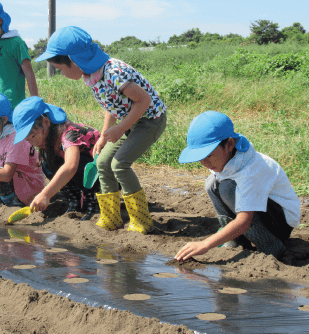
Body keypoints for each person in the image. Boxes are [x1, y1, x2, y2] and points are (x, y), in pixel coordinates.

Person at [35, 26, 167, 234]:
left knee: (120, 164)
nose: (61, 73)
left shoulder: (114, 73)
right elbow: (111, 106)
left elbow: (144, 100)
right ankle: (111, 216)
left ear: (75, 60)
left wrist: (121, 128)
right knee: (103, 162)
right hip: (131, 121)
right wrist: (105, 135)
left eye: (60, 69)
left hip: (150, 120)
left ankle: (141, 220)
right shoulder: (93, 76)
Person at [175, 111, 301, 260]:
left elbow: (244, 221)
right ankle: (238, 240)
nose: (204, 163)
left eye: (208, 155)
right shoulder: (227, 159)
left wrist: (205, 244)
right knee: (211, 184)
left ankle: (271, 246)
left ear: (229, 144)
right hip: (261, 213)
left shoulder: (251, 170)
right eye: (200, 158)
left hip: (280, 223)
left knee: (227, 188)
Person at [12, 96, 101, 221]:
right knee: (47, 164)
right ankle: (74, 200)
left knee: (80, 164)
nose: (32, 142)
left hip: (104, 174)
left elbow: (71, 166)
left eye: (32, 136)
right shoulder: (49, 138)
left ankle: (94, 201)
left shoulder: (69, 134)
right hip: (87, 174)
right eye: (28, 140)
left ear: (46, 122)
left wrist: (45, 194)